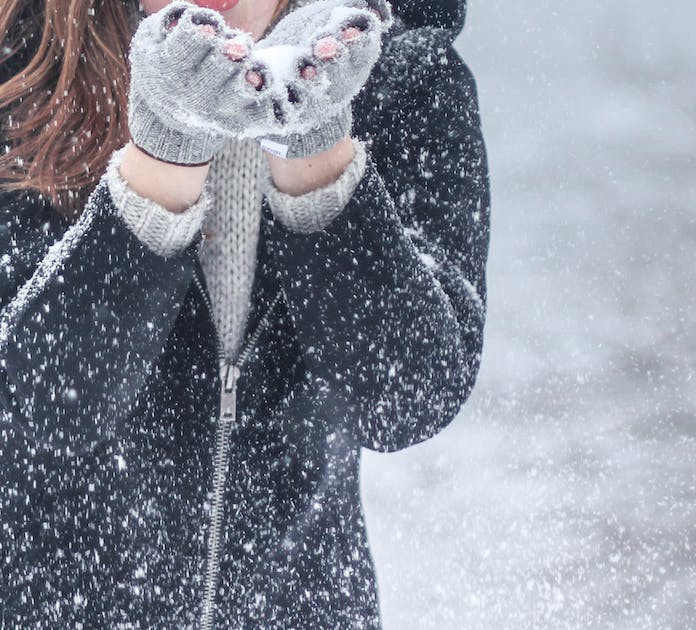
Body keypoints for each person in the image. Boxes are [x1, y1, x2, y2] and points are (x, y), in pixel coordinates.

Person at [0, 0, 489, 626]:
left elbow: (406, 399)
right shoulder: (23, 70)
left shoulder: (404, 80)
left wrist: (316, 157)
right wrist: (163, 160)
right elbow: (33, 413)